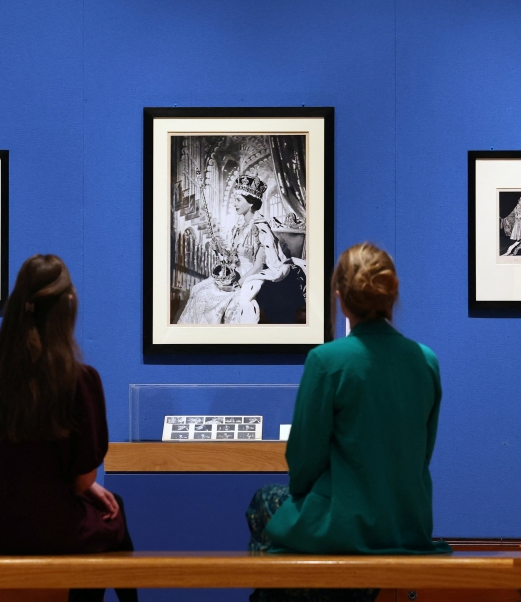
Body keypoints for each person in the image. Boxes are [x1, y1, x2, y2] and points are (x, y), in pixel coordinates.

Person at [245, 243, 450, 602]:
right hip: (408, 522)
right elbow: (422, 452)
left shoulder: (327, 360)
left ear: (339, 299)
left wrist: (305, 495)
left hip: (346, 518)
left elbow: (304, 460)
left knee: (264, 502)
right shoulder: (426, 361)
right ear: (392, 294)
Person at [0, 254, 138, 602]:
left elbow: (20, 460)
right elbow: (82, 477)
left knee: (101, 510)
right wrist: (89, 489)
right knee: (113, 513)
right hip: (55, 527)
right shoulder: (77, 381)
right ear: (67, 306)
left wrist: (84, 489)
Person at [177, 172, 297, 324]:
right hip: (234, 275)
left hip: (250, 277)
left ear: (251, 203)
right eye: (234, 199)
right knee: (198, 290)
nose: (234, 204)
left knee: (225, 302)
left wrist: (238, 284)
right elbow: (232, 256)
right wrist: (219, 250)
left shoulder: (261, 229)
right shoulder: (238, 228)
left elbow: (258, 266)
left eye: (238, 200)